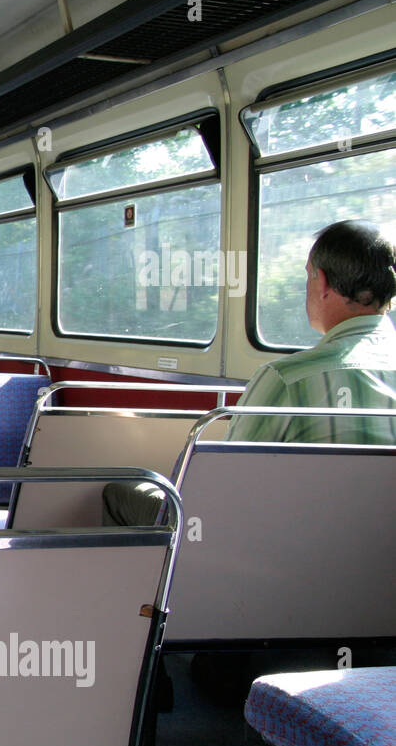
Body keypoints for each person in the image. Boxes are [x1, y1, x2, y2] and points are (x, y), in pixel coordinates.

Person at [103, 219, 396, 526]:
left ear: (321, 282)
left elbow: (222, 482)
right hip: (376, 557)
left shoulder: (287, 378)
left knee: (120, 492)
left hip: (282, 542)